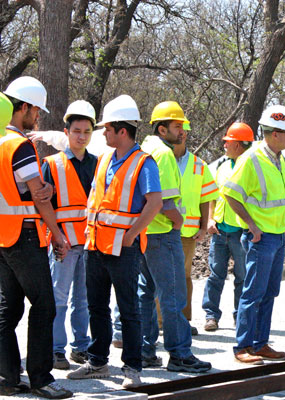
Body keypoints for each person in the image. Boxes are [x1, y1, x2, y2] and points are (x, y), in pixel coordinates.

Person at [67, 95, 162, 389]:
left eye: (107, 129)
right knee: (97, 306)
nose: (103, 133)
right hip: (96, 245)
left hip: (123, 248)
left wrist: (133, 234)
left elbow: (155, 202)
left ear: (123, 131)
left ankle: (132, 368)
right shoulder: (106, 158)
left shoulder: (143, 162)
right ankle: (98, 361)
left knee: (128, 308)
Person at [0, 77, 72, 399]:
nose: (38, 118)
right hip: (25, 238)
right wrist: (57, 234)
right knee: (44, 305)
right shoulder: (21, 145)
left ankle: (8, 378)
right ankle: (42, 378)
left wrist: (41, 190)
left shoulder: (1, 142)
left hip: (3, 239)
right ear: (23, 108)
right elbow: (39, 197)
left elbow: (23, 191)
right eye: (36, 111)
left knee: (8, 309)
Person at [138, 101, 211, 372]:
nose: (182, 131)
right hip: (164, 234)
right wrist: (179, 222)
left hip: (145, 234)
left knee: (145, 293)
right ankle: (180, 353)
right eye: (177, 126)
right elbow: (166, 203)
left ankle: (145, 351)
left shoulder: (144, 149)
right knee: (174, 295)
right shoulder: (165, 155)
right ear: (162, 128)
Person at [222, 105, 285, 364]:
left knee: (269, 292)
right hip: (261, 238)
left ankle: (260, 343)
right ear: (275, 133)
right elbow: (230, 193)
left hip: (277, 237)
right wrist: (251, 225)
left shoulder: (278, 159)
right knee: (252, 293)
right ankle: (242, 346)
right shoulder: (251, 159)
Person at [43, 101, 97, 370]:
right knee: (59, 298)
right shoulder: (52, 164)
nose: (81, 136)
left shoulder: (98, 164)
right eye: (77, 130)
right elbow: (44, 207)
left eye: (87, 131)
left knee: (83, 299)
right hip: (63, 243)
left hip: (89, 242)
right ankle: (55, 349)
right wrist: (54, 238)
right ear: (66, 132)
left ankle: (81, 347)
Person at [154, 122, 219, 336]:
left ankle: (182, 321)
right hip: (162, 228)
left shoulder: (198, 165)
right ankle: (160, 321)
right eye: (178, 128)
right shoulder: (160, 158)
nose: (182, 132)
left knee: (183, 277)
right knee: (159, 277)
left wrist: (203, 225)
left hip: (187, 232)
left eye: (184, 129)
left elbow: (206, 197)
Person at [203, 122, 253, 332]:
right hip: (220, 232)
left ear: (239, 145)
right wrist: (211, 219)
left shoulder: (250, 167)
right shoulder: (223, 166)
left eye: (228, 142)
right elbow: (214, 195)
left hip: (240, 233)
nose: (224, 145)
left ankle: (239, 316)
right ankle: (211, 316)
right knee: (215, 276)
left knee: (242, 278)